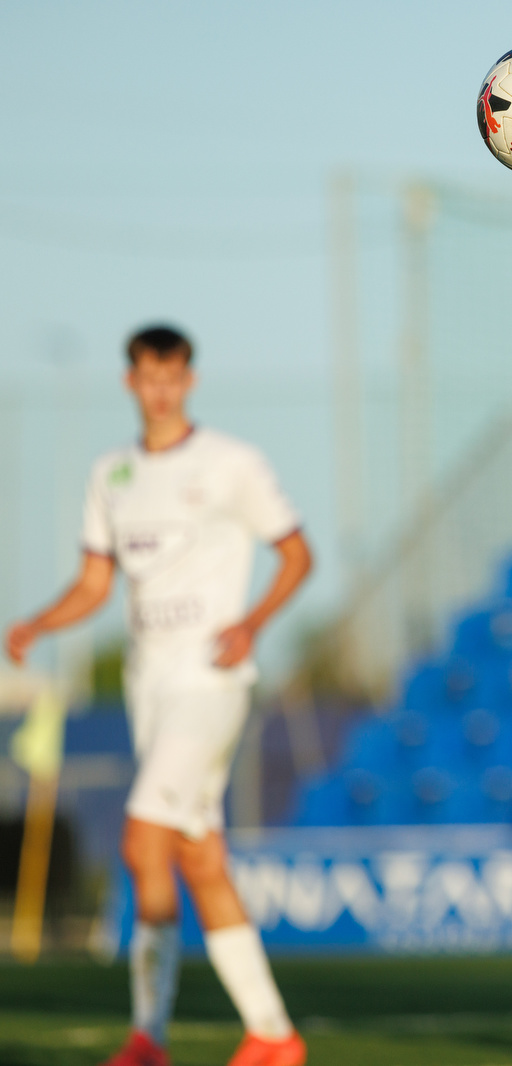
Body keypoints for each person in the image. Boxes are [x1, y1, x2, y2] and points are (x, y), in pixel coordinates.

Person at [5, 327, 313, 1066]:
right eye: (149, 376)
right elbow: (93, 584)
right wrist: (36, 623)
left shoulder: (231, 463)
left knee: (143, 835)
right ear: (130, 383)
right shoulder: (110, 474)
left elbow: (297, 554)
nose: (162, 389)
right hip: (149, 684)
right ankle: (273, 1034)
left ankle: (149, 1035)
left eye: (173, 376)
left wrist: (253, 622)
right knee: (198, 858)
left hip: (210, 680)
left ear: (190, 380)